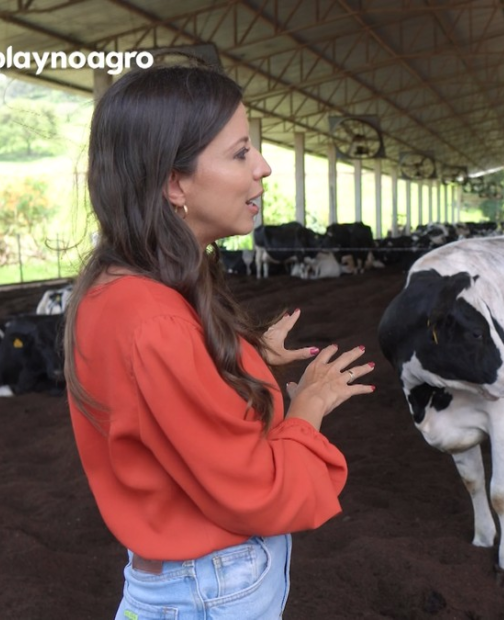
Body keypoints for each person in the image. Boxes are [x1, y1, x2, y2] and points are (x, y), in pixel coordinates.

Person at [63, 64, 374, 619]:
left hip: (180, 578)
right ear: (173, 182)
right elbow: (256, 491)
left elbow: (174, 411)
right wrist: (309, 406)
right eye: (239, 153)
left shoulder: (120, 288)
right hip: (211, 590)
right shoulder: (157, 321)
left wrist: (246, 357)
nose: (264, 167)